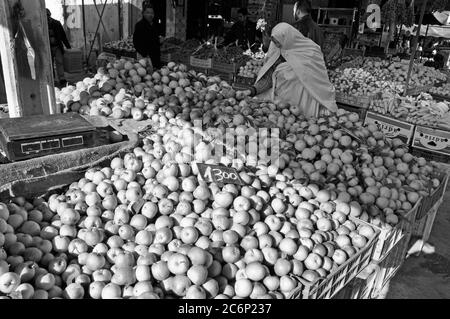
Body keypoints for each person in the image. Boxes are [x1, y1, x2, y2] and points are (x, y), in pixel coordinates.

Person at [245, 23, 337, 119]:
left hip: (305, 106)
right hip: (282, 107)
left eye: (277, 42)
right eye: (274, 42)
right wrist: (251, 91)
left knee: (305, 127)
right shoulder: (278, 51)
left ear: (288, 37)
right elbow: (268, 78)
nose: (276, 45)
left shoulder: (311, 50)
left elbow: (320, 80)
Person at [133, 4, 163, 69]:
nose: (150, 15)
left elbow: (156, 39)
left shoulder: (155, 25)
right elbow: (136, 43)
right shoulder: (139, 25)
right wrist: (145, 55)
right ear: (143, 13)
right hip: (145, 58)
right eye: (148, 12)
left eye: (152, 13)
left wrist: (160, 41)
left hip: (156, 57)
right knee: (146, 76)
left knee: (157, 75)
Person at [47, 9, 71, 87]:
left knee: (59, 62)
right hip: (48, 48)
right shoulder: (42, 25)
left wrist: (68, 46)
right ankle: (53, 79)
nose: (46, 17)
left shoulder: (56, 23)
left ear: (49, 15)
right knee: (50, 64)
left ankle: (62, 79)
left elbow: (63, 35)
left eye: (47, 15)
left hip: (57, 47)